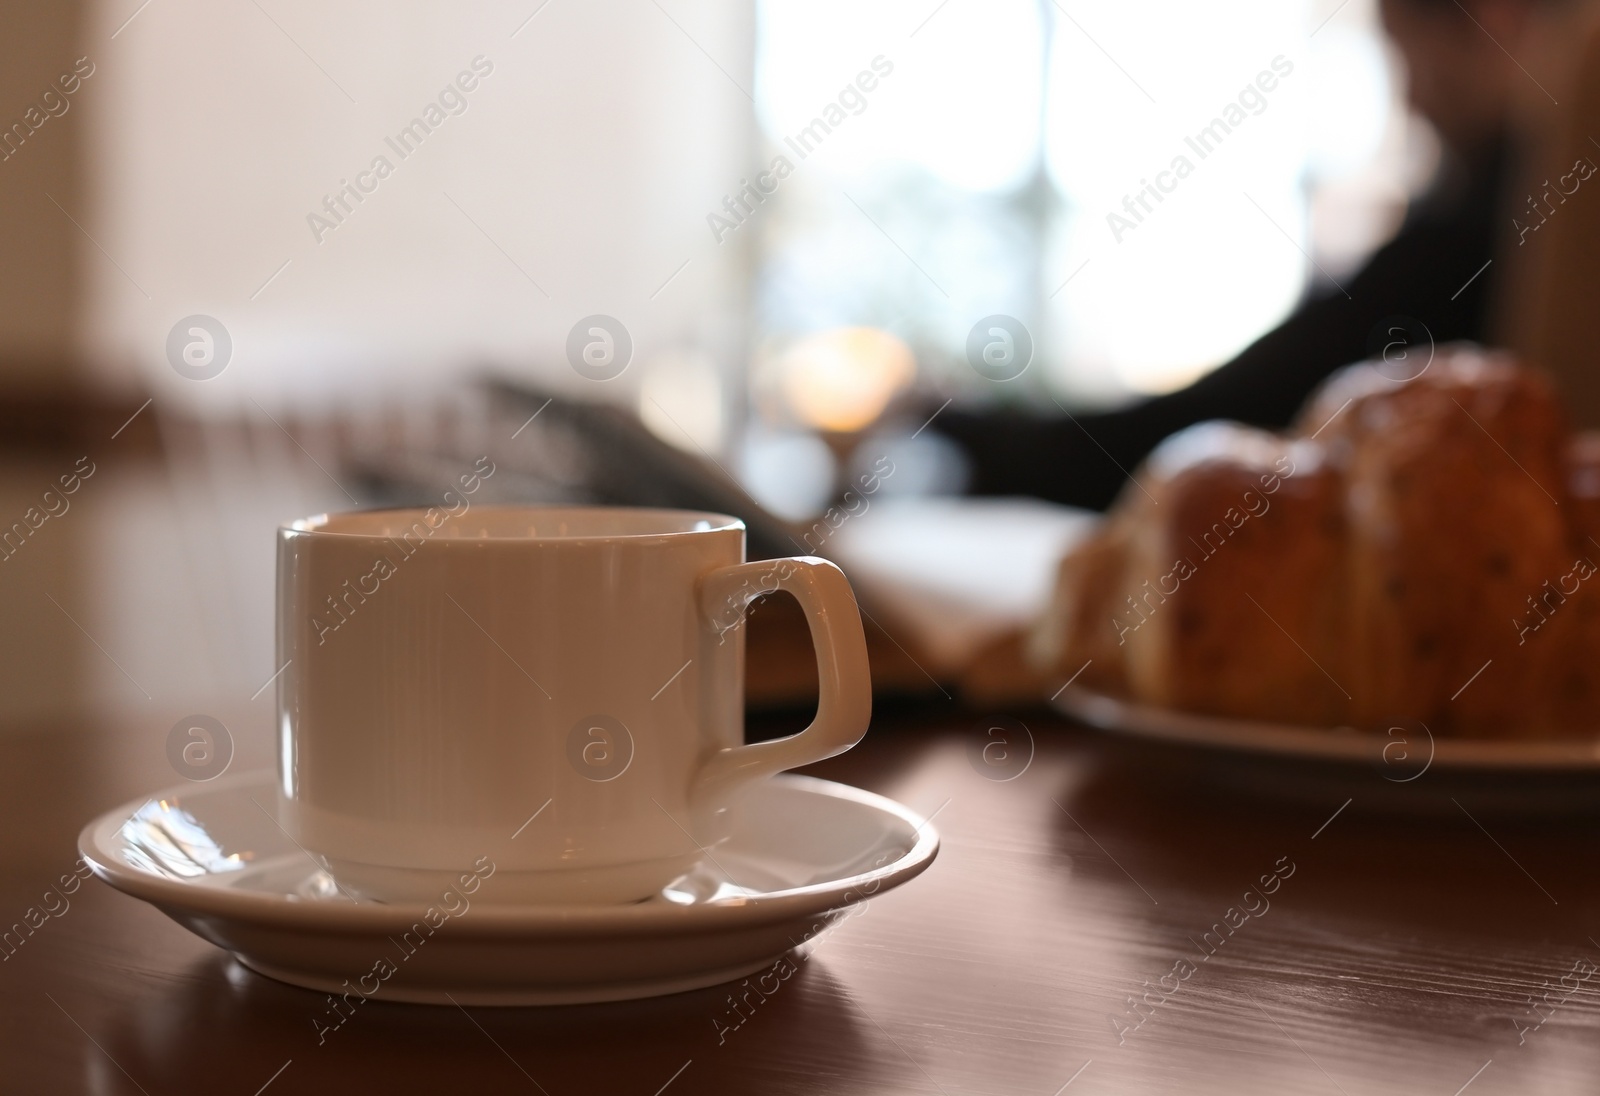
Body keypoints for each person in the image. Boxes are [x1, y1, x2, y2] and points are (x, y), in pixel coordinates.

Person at [936, 0, 1563, 510]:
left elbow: (1243, 404)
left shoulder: (1481, 228)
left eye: (1409, 56)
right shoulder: (1479, 208)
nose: (1413, 101)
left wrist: (986, 438)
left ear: (1497, 17)